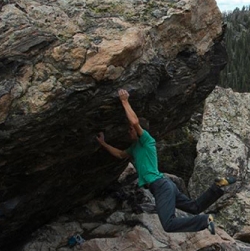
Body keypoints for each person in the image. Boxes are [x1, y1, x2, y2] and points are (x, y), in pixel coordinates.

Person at [96, 88, 236, 234]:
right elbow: (119, 154)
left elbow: (135, 121)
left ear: (139, 131)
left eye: (131, 129)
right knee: (194, 207)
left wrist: (124, 101)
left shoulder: (147, 140)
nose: (129, 131)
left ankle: (205, 220)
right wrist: (103, 144)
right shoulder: (134, 148)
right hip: (166, 185)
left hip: (160, 186)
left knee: (168, 224)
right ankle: (217, 186)